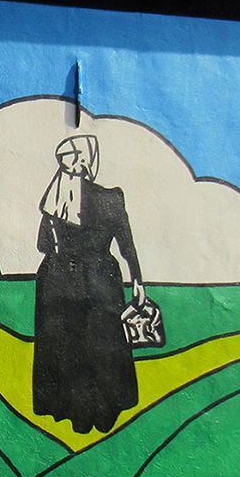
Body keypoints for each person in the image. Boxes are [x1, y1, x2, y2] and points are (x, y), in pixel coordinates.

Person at [32, 134, 145, 436]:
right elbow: (126, 245)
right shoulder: (111, 198)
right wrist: (137, 281)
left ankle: (69, 411)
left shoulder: (56, 198)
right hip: (100, 278)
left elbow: (43, 244)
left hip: (58, 279)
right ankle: (103, 411)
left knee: (67, 345)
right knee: (103, 344)